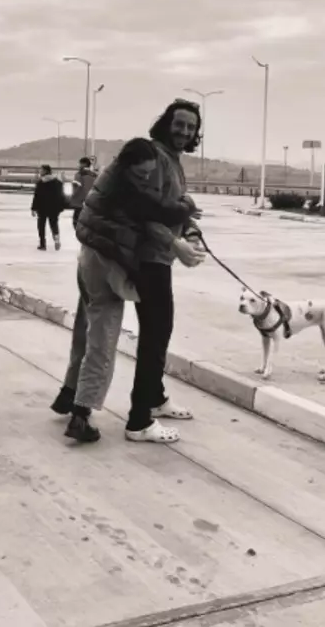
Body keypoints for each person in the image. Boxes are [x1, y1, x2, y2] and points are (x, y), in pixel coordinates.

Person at [50, 138, 204, 442]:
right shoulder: (124, 188)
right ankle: (80, 416)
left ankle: (68, 395)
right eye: (141, 173)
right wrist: (186, 209)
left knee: (86, 332)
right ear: (125, 165)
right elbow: (160, 212)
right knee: (103, 341)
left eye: (149, 174)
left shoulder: (113, 176)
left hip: (90, 259)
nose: (145, 179)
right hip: (105, 265)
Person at [125, 99, 206, 444]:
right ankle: (139, 420)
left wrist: (188, 231)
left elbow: (173, 209)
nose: (184, 131)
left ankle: (155, 400)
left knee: (160, 332)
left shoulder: (174, 160)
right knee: (155, 337)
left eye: (190, 127)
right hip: (148, 258)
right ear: (166, 123)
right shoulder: (155, 158)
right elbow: (143, 213)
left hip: (161, 258)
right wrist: (175, 245)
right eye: (179, 124)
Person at [31, 164, 66, 251]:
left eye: (41, 170)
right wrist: (61, 206)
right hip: (54, 208)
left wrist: (33, 208)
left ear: (45, 171)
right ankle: (57, 239)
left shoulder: (41, 182)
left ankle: (43, 244)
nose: (40, 172)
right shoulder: (58, 182)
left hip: (42, 207)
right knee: (54, 224)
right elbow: (61, 196)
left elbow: (37, 196)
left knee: (41, 226)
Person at [69, 156, 97, 229]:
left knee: (76, 222)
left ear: (83, 164)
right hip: (91, 201)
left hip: (80, 202)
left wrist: (73, 197)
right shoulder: (95, 175)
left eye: (80, 163)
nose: (79, 165)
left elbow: (77, 188)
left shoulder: (79, 174)